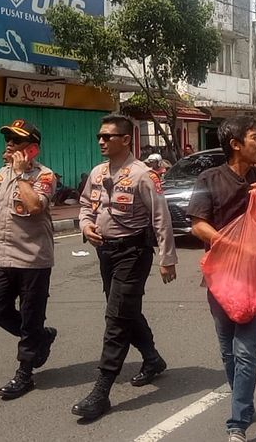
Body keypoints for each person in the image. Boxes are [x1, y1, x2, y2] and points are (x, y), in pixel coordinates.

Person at [186, 115, 256, 442]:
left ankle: (238, 422)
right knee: (227, 349)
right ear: (236, 144)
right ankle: (241, 397)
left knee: (246, 350)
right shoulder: (210, 178)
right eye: (255, 138)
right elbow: (197, 224)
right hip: (221, 275)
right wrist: (231, 244)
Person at [72, 114, 178, 422]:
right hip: (106, 252)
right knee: (124, 309)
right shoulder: (98, 172)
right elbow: (84, 205)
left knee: (117, 316)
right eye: (100, 137)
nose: (102, 141)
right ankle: (153, 359)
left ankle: (101, 390)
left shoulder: (143, 175)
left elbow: (161, 216)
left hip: (133, 252)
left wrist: (167, 257)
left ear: (126, 140)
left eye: (108, 136)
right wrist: (86, 226)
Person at [0, 119, 58, 400]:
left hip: (34, 260)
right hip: (5, 256)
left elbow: (34, 207)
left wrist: (21, 177)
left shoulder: (44, 176)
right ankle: (40, 337)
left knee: (31, 317)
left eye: (16, 140)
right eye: (7, 138)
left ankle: (25, 373)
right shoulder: (1, 174)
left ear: (32, 149)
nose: (9, 144)